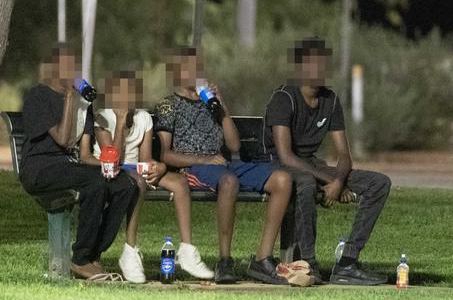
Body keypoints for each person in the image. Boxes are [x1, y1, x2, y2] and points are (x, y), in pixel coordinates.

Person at [153, 47, 292, 284]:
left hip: (223, 164)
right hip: (194, 167)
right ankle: (224, 259)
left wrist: (222, 107)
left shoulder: (210, 103)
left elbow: (234, 144)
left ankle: (262, 258)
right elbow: (166, 155)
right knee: (229, 181)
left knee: (283, 179)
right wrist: (204, 160)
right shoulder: (169, 105)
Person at [262, 37, 391, 285]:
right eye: (313, 65)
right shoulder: (284, 98)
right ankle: (309, 264)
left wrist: (339, 180)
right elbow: (285, 155)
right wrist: (332, 181)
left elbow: (344, 154)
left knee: (378, 183)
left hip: (313, 167)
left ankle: (348, 263)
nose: (319, 70)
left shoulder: (330, 101)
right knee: (307, 183)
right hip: (280, 168)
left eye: (323, 64)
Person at [19, 46, 137, 279]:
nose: (73, 71)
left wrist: (108, 166)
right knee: (95, 182)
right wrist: (70, 98)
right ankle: (80, 258)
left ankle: (93, 254)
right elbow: (63, 140)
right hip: (40, 168)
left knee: (125, 184)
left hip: (70, 166)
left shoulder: (83, 103)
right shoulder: (38, 96)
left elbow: (83, 155)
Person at [85, 70, 213, 283]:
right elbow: (112, 158)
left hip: (135, 170)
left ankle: (187, 249)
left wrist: (160, 168)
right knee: (139, 181)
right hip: (111, 169)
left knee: (180, 182)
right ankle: (130, 249)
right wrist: (121, 123)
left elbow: (145, 158)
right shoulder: (104, 118)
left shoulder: (143, 118)